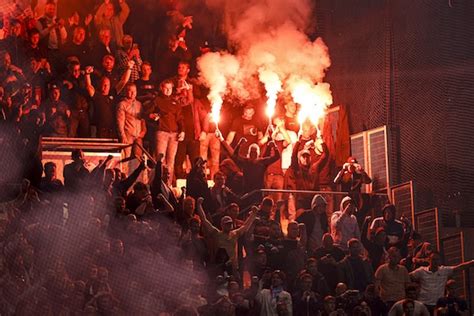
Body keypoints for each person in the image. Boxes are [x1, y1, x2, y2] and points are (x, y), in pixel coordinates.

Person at [195, 196, 257, 272]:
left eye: (230, 224)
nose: (229, 225)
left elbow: (245, 226)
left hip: (233, 267)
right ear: (222, 225)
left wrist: (253, 214)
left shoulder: (234, 234)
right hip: (220, 266)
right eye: (226, 224)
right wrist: (199, 205)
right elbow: (204, 220)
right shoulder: (217, 233)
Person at [409, 251, 474, 312]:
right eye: (433, 259)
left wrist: (472, 262)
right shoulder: (421, 271)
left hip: (438, 304)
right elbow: (408, 277)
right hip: (423, 304)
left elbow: (459, 268)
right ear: (429, 260)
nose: (435, 262)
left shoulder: (444, 270)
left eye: (437, 260)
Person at [146, 79, 184, 184]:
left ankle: (168, 185)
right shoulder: (157, 100)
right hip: (161, 132)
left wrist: (182, 131)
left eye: (170, 88)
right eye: (165, 88)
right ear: (161, 88)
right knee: (160, 161)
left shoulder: (176, 102)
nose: (167, 91)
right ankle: (159, 184)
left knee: (171, 161)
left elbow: (180, 118)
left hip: (174, 134)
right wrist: (152, 116)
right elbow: (147, 113)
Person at [231, 137, 280, 202]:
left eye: (255, 152)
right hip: (247, 190)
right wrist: (239, 144)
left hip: (259, 192)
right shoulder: (245, 161)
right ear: (249, 153)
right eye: (252, 152)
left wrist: (275, 146)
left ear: (258, 153)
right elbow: (235, 156)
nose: (253, 153)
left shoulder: (262, 162)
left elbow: (277, 156)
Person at [116, 83, 146, 172]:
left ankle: (138, 181)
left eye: (134, 91)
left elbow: (142, 119)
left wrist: (144, 130)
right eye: (130, 91)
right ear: (126, 92)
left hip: (138, 135)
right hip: (127, 134)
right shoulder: (122, 104)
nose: (133, 93)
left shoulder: (139, 104)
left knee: (138, 159)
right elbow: (120, 122)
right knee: (126, 158)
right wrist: (123, 136)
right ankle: (123, 178)